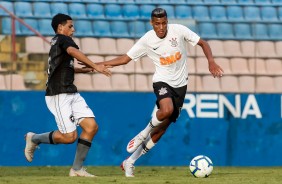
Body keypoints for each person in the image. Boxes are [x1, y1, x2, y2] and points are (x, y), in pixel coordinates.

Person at [96, 8, 224, 177]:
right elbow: (125, 59)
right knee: (166, 110)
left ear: (167, 21)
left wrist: (211, 61)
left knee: (161, 131)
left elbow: (203, 43)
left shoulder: (178, 30)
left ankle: (130, 162)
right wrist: (98, 64)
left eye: (164, 23)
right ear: (152, 23)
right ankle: (142, 134)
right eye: (157, 24)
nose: (161, 27)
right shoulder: (147, 40)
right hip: (162, 81)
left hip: (181, 86)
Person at [24, 13, 111, 177]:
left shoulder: (58, 43)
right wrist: (95, 66)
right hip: (59, 94)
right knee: (69, 137)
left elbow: (65, 67)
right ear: (60, 27)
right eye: (70, 26)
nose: (73, 29)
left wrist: (85, 69)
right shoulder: (63, 40)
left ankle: (76, 170)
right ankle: (34, 138)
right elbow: (73, 51)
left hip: (70, 91)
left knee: (91, 127)